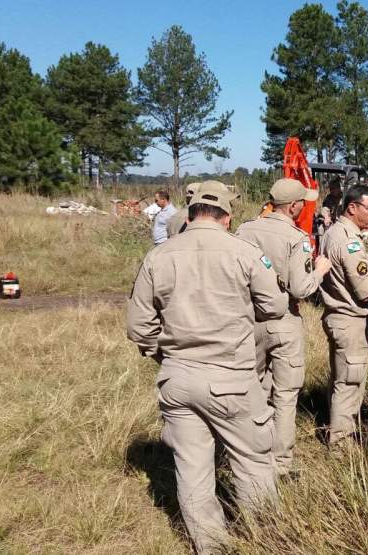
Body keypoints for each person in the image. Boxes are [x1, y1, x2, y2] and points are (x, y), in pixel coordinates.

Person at [127, 181, 288, 553]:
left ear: (191, 213)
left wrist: (163, 355)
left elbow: (138, 326)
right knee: (252, 465)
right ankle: (267, 541)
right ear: (228, 217)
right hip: (231, 379)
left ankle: (211, 546)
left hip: (178, 379)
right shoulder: (245, 253)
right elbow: (275, 307)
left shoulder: (160, 255)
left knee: (193, 472)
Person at [235, 178, 332, 477]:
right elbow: (301, 288)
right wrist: (319, 270)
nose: (304, 206)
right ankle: (280, 465)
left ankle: (248, 454)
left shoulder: (244, 229)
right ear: (293, 206)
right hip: (283, 320)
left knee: (251, 390)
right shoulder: (296, 238)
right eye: (302, 201)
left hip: (248, 319)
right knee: (286, 395)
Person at [318, 185, 368, 450]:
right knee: (350, 384)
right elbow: (366, 290)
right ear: (352, 208)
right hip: (350, 320)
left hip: (337, 317)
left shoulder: (334, 231)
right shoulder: (349, 241)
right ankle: (341, 446)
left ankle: (335, 431)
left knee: (341, 380)